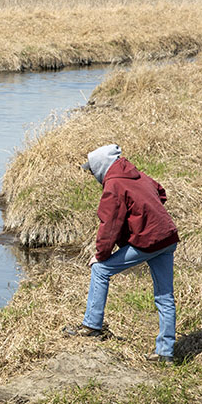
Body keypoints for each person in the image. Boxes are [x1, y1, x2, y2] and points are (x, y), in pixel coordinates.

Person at [64, 144, 180, 364]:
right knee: (165, 297)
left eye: (92, 170)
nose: (92, 174)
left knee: (100, 269)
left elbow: (109, 225)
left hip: (149, 241)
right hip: (167, 236)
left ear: (100, 166)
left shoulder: (114, 184)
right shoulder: (138, 175)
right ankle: (165, 352)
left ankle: (91, 326)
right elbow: (160, 193)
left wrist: (101, 254)